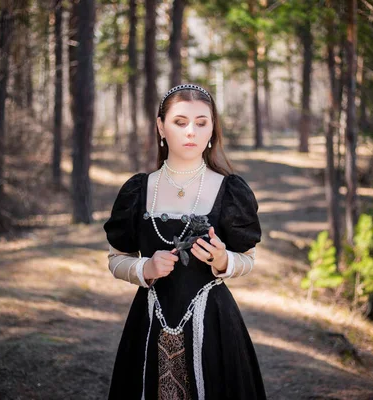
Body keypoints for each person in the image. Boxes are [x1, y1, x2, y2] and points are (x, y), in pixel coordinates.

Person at [103, 84, 266, 400]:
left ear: (212, 130)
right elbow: (116, 257)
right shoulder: (139, 190)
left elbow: (248, 257)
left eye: (201, 122)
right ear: (161, 127)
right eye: (180, 121)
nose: (191, 131)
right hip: (149, 324)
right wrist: (145, 267)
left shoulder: (230, 190)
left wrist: (223, 261)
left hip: (215, 327)